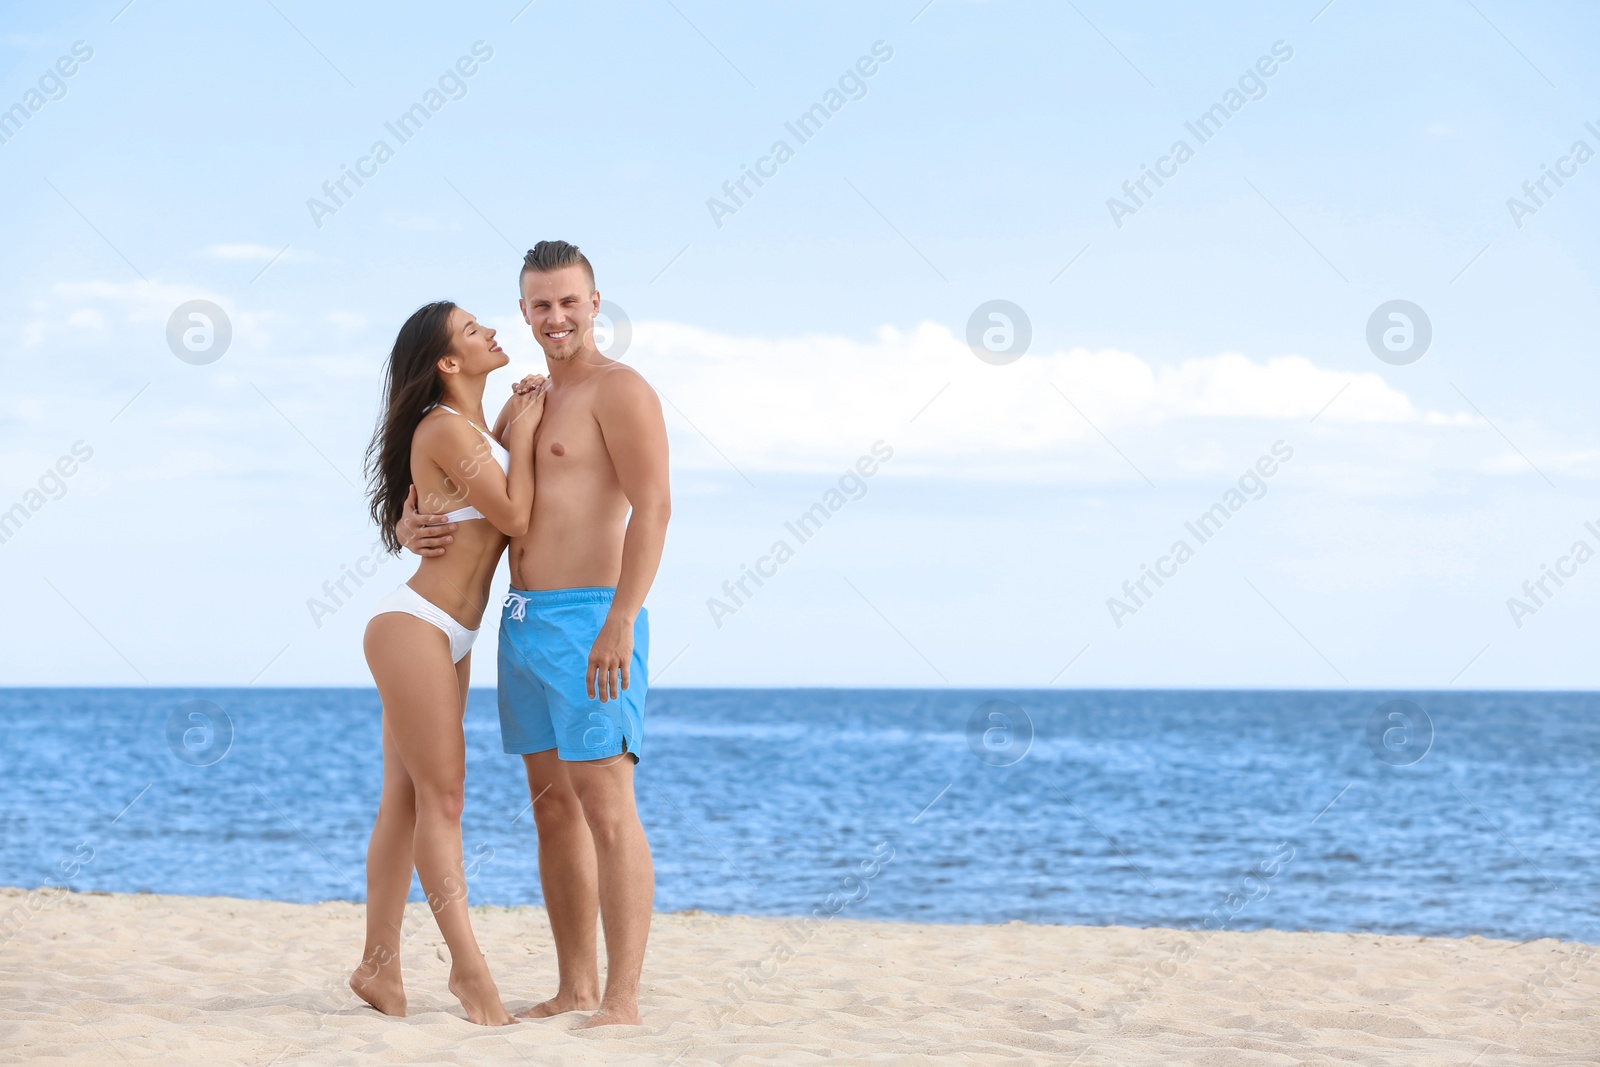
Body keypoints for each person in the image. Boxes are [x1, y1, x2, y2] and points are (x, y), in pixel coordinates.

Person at [398, 241, 671, 1029]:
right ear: (524, 312)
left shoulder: (621, 391)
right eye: (540, 305)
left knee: (608, 804)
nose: (556, 317)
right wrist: (408, 520)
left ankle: (621, 999)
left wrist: (622, 616)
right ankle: (577, 984)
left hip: (592, 616)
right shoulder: (522, 404)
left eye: (569, 302)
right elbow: (455, 477)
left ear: (595, 304)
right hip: (521, 621)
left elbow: (654, 508)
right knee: (552, 807)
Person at [352, 300, 547, 1026]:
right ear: (447, 362)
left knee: (404, 802)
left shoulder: (468, 431)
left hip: (446, 634)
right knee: (445, 799)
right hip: (416, 626)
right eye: (473, 331)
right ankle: (470, 974)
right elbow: (516, 515)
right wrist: (523, 434)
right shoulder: (441, 426)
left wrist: (509, 426)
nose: (493, 332)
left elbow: (482, 482)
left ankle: (379, 969)